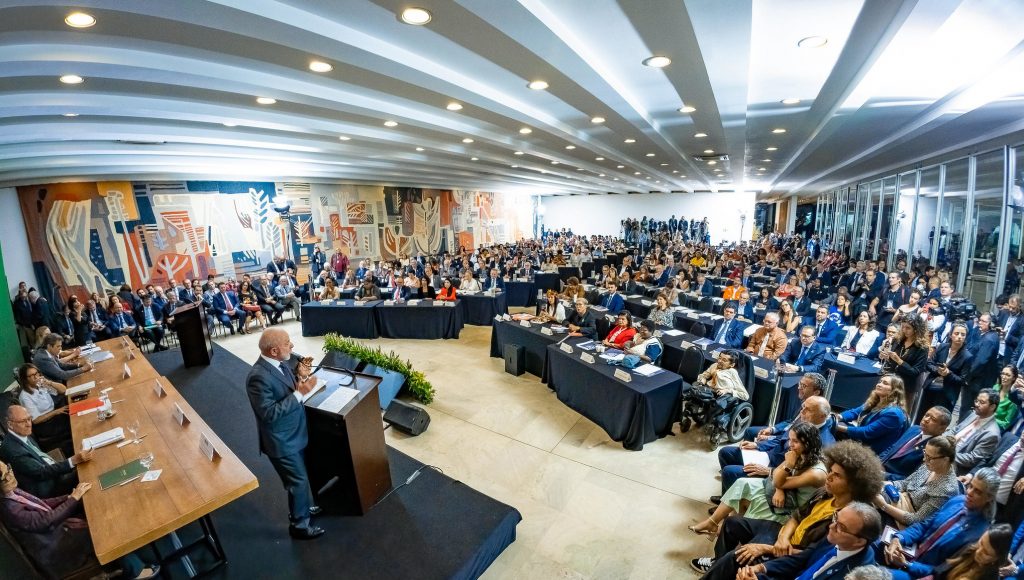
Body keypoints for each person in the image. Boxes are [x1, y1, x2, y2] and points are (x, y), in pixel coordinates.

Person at [694, 442, 884, 578]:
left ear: (854, 485)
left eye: (837, 475)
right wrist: (783, 537)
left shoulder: (845, 521)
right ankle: (716, 564)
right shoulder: (825, 493)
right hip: (784, 536)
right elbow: (796, 516)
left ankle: (721, 568)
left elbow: (805, 555)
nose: (829, 476)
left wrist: (767, 547)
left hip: (793, 550)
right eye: (830, 471)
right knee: (731, 523)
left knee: (737, 556)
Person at [0, 460, 160, 579]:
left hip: (57, 532)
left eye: (8, 471)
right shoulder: (9, 508)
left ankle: (123, 557)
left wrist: (69, 496)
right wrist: (73, 499)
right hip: (55, 549)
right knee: (100, 530)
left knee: (96, 518)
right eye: (2, 478)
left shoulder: (10, 491)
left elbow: (43, 503)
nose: (8, 478)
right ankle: (137, 572)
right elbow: (45, 522)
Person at [245, 329, 324, 540]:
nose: (292, 346)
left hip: (294, 434)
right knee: (297, 481)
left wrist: (301, 377)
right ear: (274, 350)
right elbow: (269, 414)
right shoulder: (257, 378)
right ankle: (300, 524)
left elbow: (287, 385)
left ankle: (303, 507)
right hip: (281, 441)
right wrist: (301, 392)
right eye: (288, 343)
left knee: (301, 478)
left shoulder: (281, 363)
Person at [691, 422, 828, 537]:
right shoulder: (799, 453)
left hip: (791, 510)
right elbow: (777, 476)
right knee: (742, 484)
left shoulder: (816, 473)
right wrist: (779, 488)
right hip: (784, 494)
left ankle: (725, 534)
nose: (790, 444)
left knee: (748, 503)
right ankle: (713, 523)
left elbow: (779, 479)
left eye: (795, 441)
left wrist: (788, 466)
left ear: (808, 444)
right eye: (790, 439)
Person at [881, 469, 999, 579]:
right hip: (908, 552)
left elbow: (943, 570)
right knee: (873, 547)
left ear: (989, 497)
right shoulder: (957, 500)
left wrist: (906, 564)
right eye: (970, 486)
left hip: (922, 574)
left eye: (977, 491)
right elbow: (924, 526)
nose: (969, 492)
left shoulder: (980, 535)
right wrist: (899, 538)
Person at [715, 395, 834, 496]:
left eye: (808, 410)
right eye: (803, 407)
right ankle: (727, 496)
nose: (802, 412)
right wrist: (758, 445)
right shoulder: (804, 421)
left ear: (822, 416)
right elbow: (782, 438)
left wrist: (770, 472)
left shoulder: (824, 443)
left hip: (778, 470)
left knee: (729, 472)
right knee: (725, 453)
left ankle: (732, 502)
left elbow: (800, 473)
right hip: (770, 456)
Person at [736, 503, 882, 580]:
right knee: (743, 565)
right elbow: (802, 558)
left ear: (859, 542)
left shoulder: (857, 575)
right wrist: (761, 568)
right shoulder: (836, 537)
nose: (831, 526)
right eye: (836, 518)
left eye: (841, 527)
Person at [0, 405, 93, 499]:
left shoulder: (20, 432)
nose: (29, 424)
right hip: (49, 488)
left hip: (52, 472)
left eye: (29, 418)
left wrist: (71, 463)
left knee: (88, 465)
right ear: (10, 424)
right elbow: (42, 473)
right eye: (23, 421)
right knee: (90, 475)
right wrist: (72, 461)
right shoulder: (12, 450)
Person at [874, 435, 960, 528]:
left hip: (903, 517)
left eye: (929, 457)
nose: (924, 459)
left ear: (945, 459)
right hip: (897, 497)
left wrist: (883, 506)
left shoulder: (948, 489)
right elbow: (905, 483)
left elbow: (916, 520)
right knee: (869, 485)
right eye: (925, 454)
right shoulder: (930, 465)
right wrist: (888, 484)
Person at [833, 374, 910, 455]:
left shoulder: (894, 414)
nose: (879, 384)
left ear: (894, 390)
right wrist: (837, 417)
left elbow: (867, 432)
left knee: (835, 428)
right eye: (880, 381)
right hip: (863, 440)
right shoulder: (876, 401)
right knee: (833, 423)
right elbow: (854, 412)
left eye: (885, 383)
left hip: (870, 451)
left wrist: (835, 425)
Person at [879, 406, 953, 480]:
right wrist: (877, 462)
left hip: (891, 480)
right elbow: (892, 447)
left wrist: (884, 475)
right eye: (927, 415)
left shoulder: (935, 449)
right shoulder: (914, 429)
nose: (926, 419)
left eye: (933, 419)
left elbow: (912, 479)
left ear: (942, 429)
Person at [879, 315, 929, 419]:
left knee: (900, 415)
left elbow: (915, 371)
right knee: (881, 410)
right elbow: (890, 361)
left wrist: (899, 361)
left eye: (908, 328)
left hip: (906, 386)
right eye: (903, 327)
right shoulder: (898, 340)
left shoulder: (922, 348)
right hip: (891, 382)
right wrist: (886, 357)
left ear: (916, 329)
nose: (904, 330)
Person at [14, 363, 71, 447]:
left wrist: (49, 382)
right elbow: (36, 420)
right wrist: (56, 412)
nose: (36, 376)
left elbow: (63, 390)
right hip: (46, 426)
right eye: (32, 375)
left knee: (73, 409)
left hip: (55, 415)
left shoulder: (40, 385)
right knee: (72, 421)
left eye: (37, 373)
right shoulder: (25, 396)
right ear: (25, 379)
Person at [929, 524, 1012, 580]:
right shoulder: (970, 548)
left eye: (986, 553)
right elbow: (938, 571)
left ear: (996, 558)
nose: (978, 551)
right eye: (981, 543)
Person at [951, 388, 1001, 475]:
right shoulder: (973, 414)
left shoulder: (992, 434)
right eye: (976, 400)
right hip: (946, 449)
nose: (976, 404)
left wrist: (946, 454)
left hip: (955, 465)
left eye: (981, 402)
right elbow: (955, 430)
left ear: (992, 407)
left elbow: (971, 459)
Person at [994, 366, 1022, 431]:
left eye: (1008, 375)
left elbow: (1006, 424)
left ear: (1014, 378)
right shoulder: (995, 387)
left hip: (995, 429)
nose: (1003, 377)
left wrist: (990, 418)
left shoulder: (1013, 400)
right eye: (1003, 373)